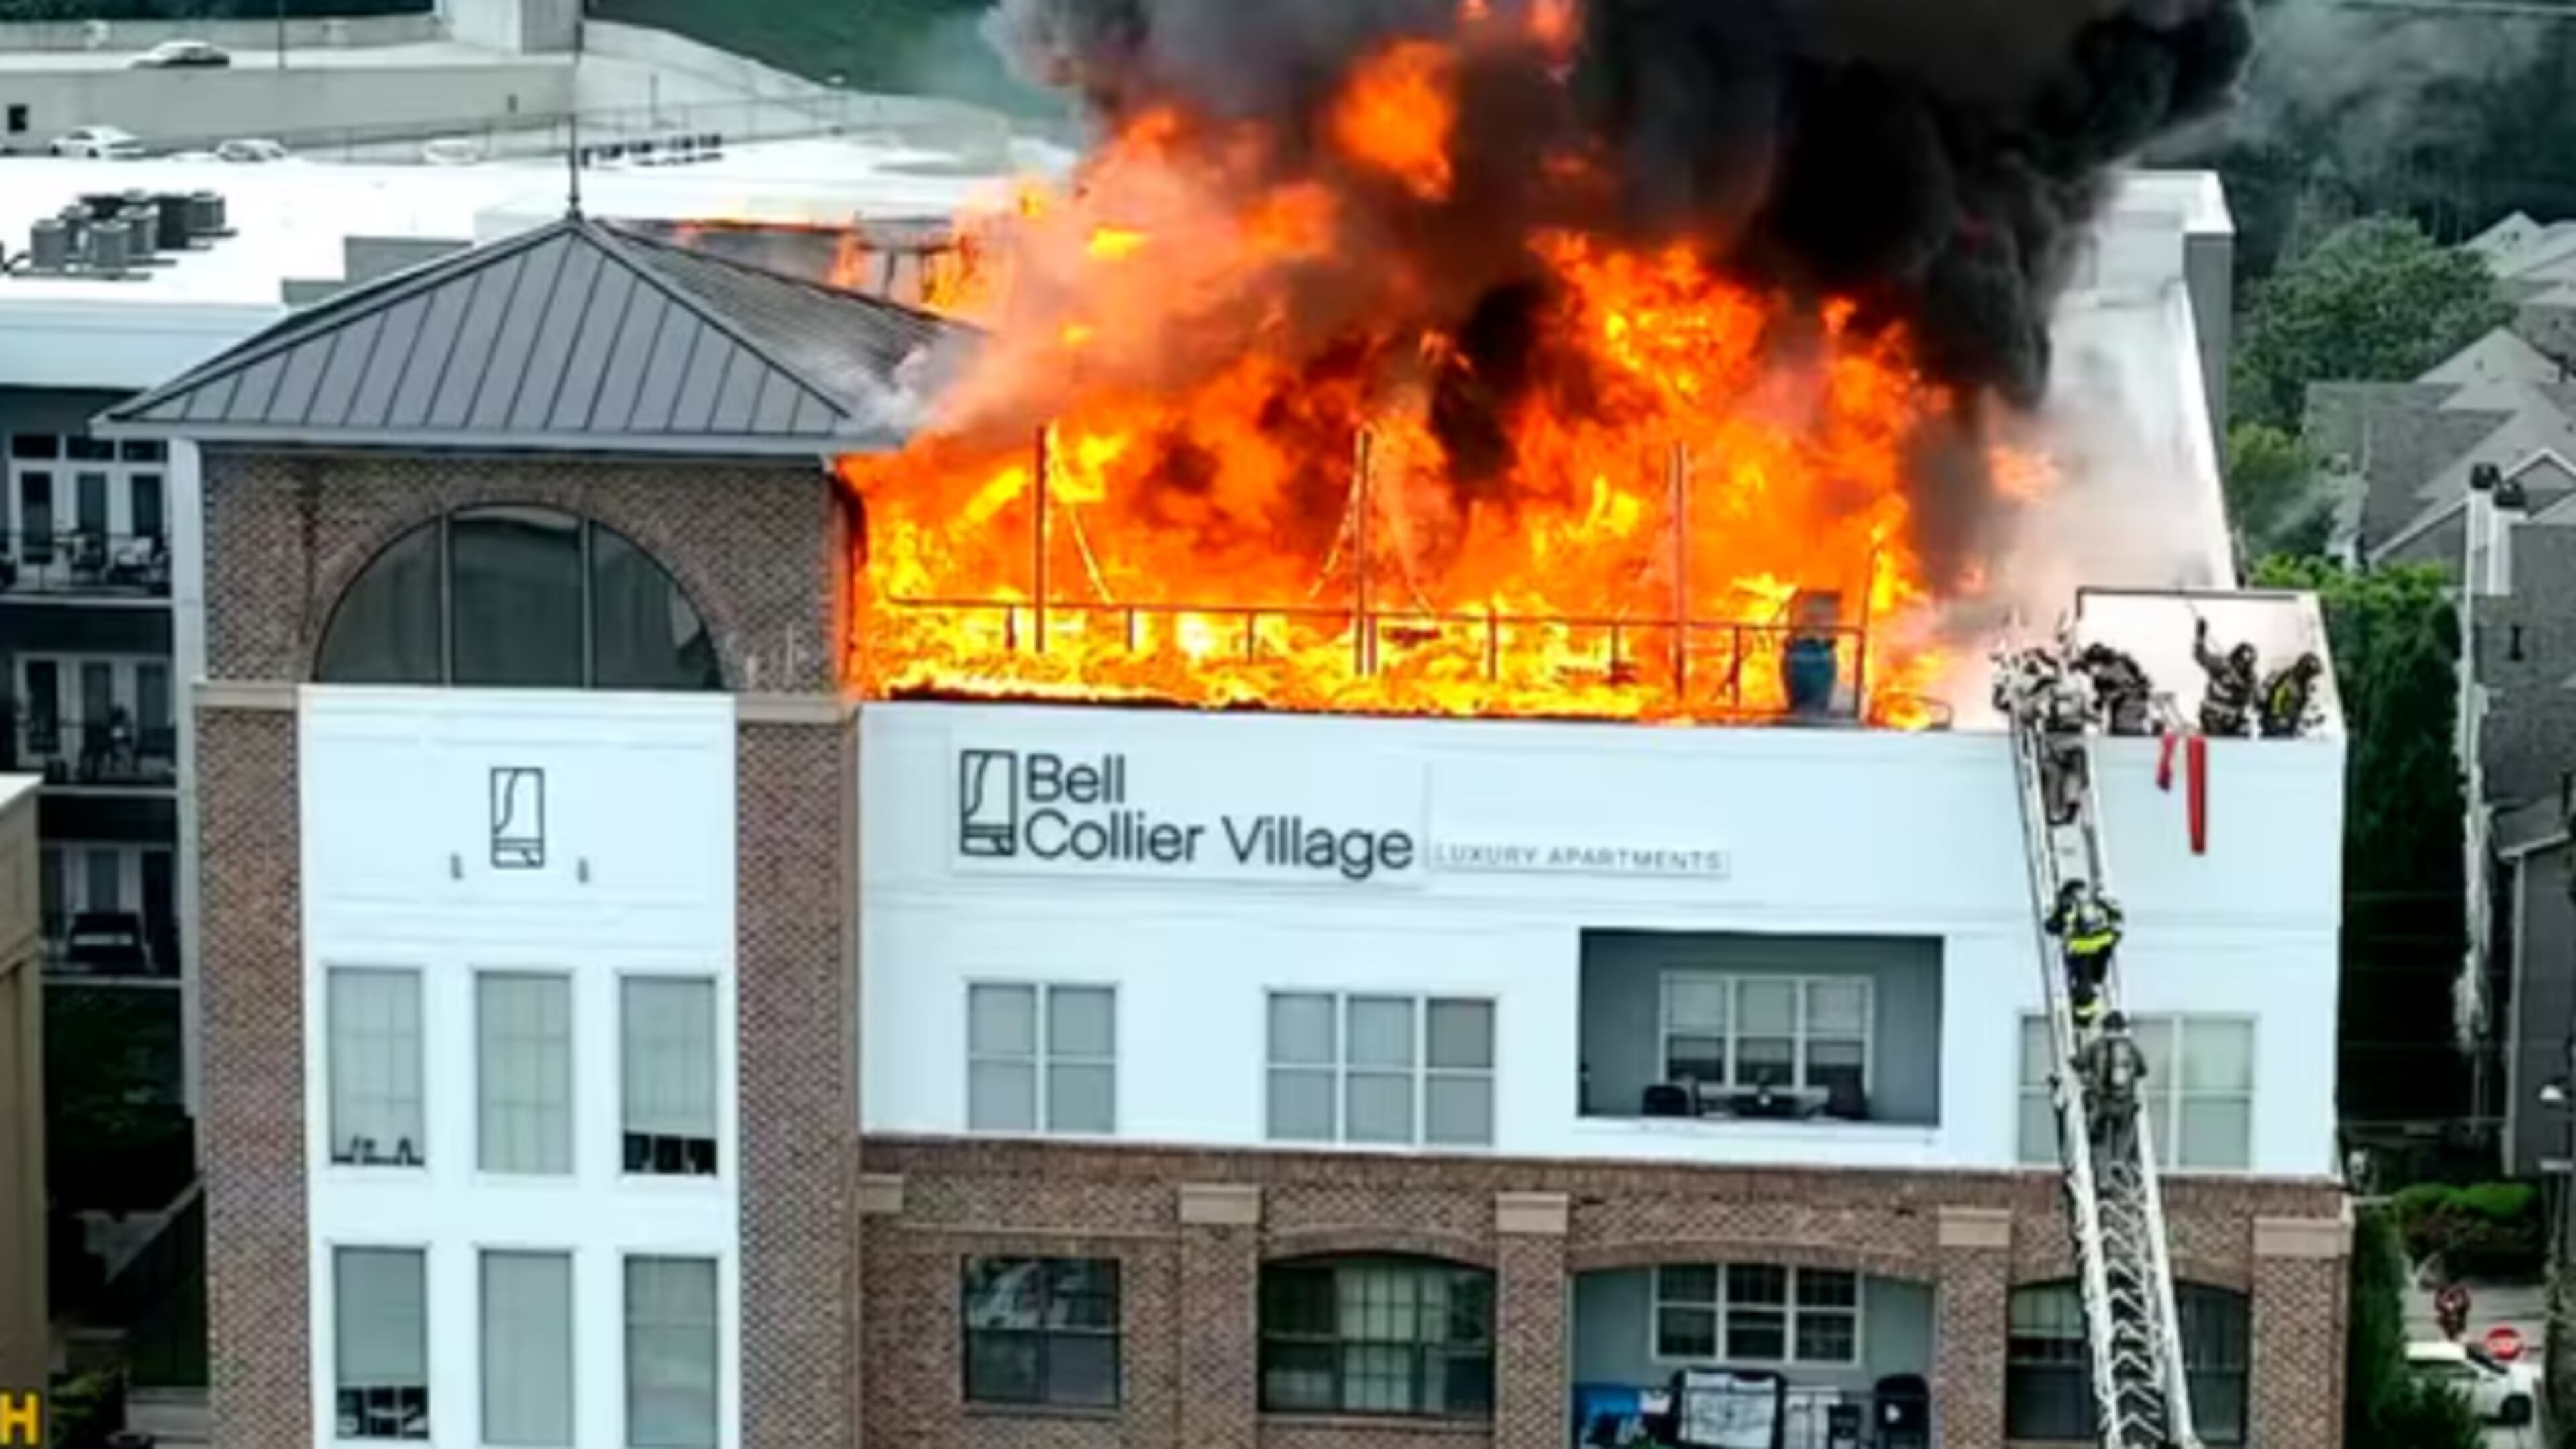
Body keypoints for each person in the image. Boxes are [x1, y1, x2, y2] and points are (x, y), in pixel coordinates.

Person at [2045, 879, 2123, 1028]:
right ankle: (2092, 1016)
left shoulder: (2088, 905)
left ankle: (2090, 1017)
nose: (2081, 895)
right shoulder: (2083, 905)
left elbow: (2054, 926)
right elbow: (2052, 926)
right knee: (2092, 984)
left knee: (2091, 984)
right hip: (2092, 950)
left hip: (2092, 950)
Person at [2074, 1012, 2149, 1148]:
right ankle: (2119, 1162)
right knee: (2123, 1133)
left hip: (2100, 1102)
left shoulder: (2095, 1045)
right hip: (2124, 1102)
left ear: (2105, 1027)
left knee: (2095, 1138)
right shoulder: (2131, 1047)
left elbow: (2079, 1064)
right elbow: (2143, 1070)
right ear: (2122, 1028)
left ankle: (2099, 1165)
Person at [2192, 618, 2257, 736]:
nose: (2242, 666)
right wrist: (2200, 637)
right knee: (2217, 738)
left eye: (2246, 664)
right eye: (2240, 662)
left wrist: (2243, 688)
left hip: (2234, 719)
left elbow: (2250, 697)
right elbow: (2200, 656)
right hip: (2212, 714)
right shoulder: (2221, 665)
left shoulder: (2251, 678)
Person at [2074, 643, 2155, 736]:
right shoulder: (2120, 669)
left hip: (2127, 729)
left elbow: (2111, 695)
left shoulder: (2114, 672)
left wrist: (2097, 705)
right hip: (2131, 727)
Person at [2259, 652, 2324, 739]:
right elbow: (2277, 697)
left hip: (2290, 723)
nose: (2311, 678)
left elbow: (2302, 703)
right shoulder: (2288, 679)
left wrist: (2311, 718)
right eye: (2310, 674)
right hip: (2276, 724)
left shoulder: (2303, 683)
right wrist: (2278, 716)